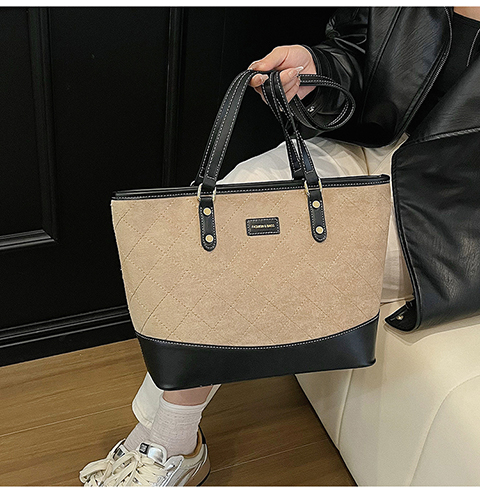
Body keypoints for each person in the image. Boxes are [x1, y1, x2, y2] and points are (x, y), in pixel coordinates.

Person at [79, 6, 480, 487]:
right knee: (229, 214)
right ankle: (169, 443)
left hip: (457, 207)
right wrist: (315, 67)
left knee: (263, 263)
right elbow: (357, 55)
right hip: (376, 145)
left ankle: (165, 443)